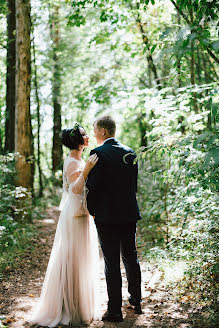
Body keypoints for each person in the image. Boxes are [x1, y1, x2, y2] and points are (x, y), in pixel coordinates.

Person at [31, 123, 100, 327]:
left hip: (84, 214)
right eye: (84, 135)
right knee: (73, 257)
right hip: (74, 216)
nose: (88, 137)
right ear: (77, 142)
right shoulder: (72, 162)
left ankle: (80, 304)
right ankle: (67, 307)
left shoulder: (79, 159)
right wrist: (87, 169)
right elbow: (75, 190)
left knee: (83, 258)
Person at [86, 115, 142, 323]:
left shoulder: (98, 153)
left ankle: (115, 310)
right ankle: (136, 300)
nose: (93, 134)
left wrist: (92, 210)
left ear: (102, 131)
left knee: (111, 261)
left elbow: (93, 187)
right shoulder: (130, 153)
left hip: (106, 216)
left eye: (95, 130)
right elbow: (133, 186)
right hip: (128, 213)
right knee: (130, 256)